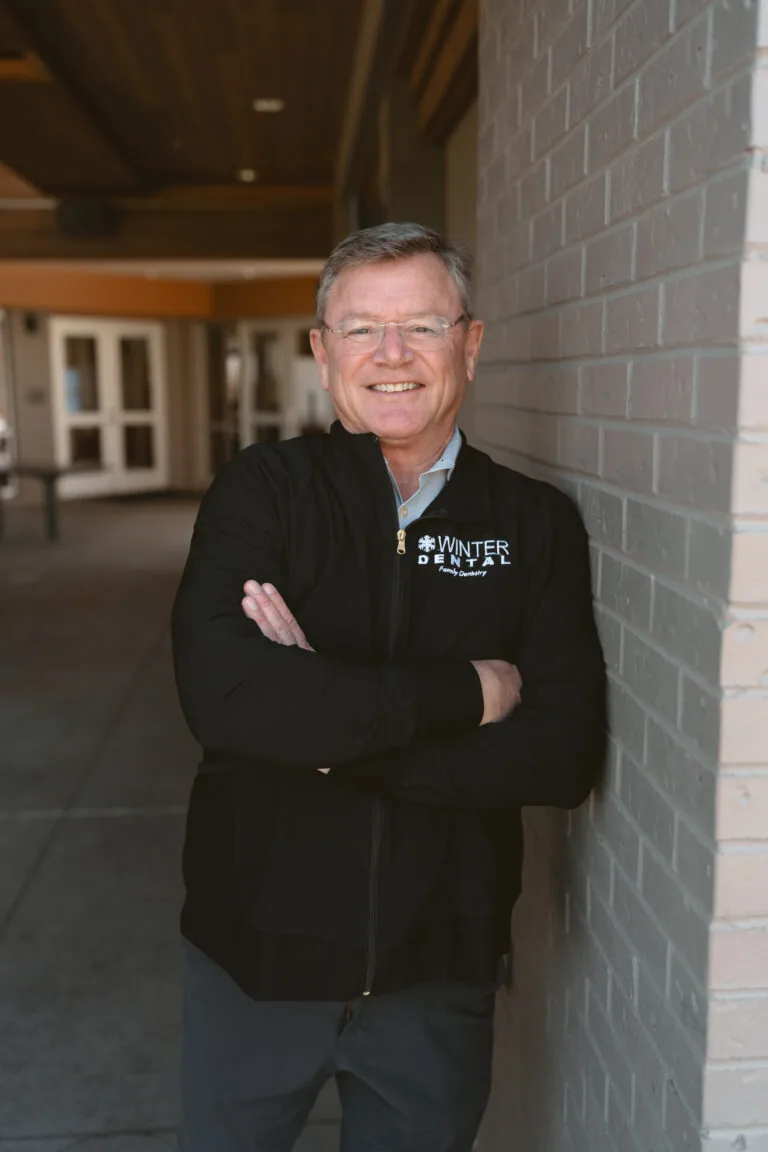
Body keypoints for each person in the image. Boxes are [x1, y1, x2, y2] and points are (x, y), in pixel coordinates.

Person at [171, 222, 606, 1152]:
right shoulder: (263, 494)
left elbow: (561, 754)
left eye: (422, 325)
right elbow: (227, 700)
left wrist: (327, 741)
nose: (392, 356)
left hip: (435, 972)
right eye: (362, 329)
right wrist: (463, 696)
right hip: (254, 964)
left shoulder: (532, 525)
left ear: (471, 343)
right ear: (323, 350)